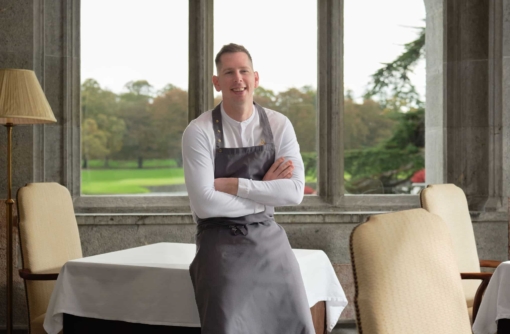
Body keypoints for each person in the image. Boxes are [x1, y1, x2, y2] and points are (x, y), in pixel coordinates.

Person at [182, 43, 315, 334]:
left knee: (295, 321)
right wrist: (266, 193)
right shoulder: (198, 131)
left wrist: (232, 185)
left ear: (256, 78)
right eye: (228, 72)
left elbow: (293, 192)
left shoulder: (279, 124)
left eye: (243, 71)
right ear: (217, 82)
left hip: (268, 237)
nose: (237, 79)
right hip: (218, 240)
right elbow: (205, 204)